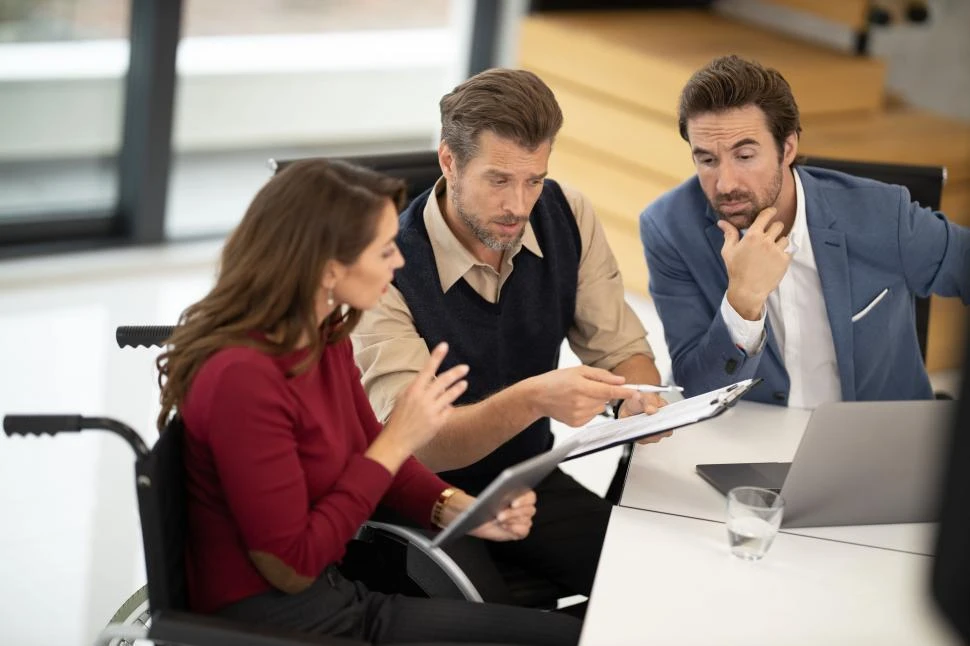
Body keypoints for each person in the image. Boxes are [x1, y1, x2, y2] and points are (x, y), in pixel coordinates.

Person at [155, 159, 582, 645]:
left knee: (572, 634)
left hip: (336, 600)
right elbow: (291, 567)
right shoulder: (242, 381)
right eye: (384, 251)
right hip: (277, 625)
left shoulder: (325, 337)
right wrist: (398, 438)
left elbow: (380, 463)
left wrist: (466, 510)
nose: (398, 261)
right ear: (330, 269)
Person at [352, 68, 667, 606]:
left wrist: (636, 397)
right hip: (425, 500)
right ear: (449, 162)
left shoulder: (566, 214)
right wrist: (535, 398)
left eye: (534, 179)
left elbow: (623, 351)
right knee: (513, 624)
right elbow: (417, 444)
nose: (519, 206)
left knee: (654, 584)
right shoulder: (384, 267)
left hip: (525, 481)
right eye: (499, 180)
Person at [639, 55, 970, 408]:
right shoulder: (669, 229)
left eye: (745, 156)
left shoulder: (882, 213)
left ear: (788, 147)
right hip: (747, 440)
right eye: (707, 160)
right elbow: (695, 389)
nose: (725, 183)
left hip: (876, 441)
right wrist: (743, 302)